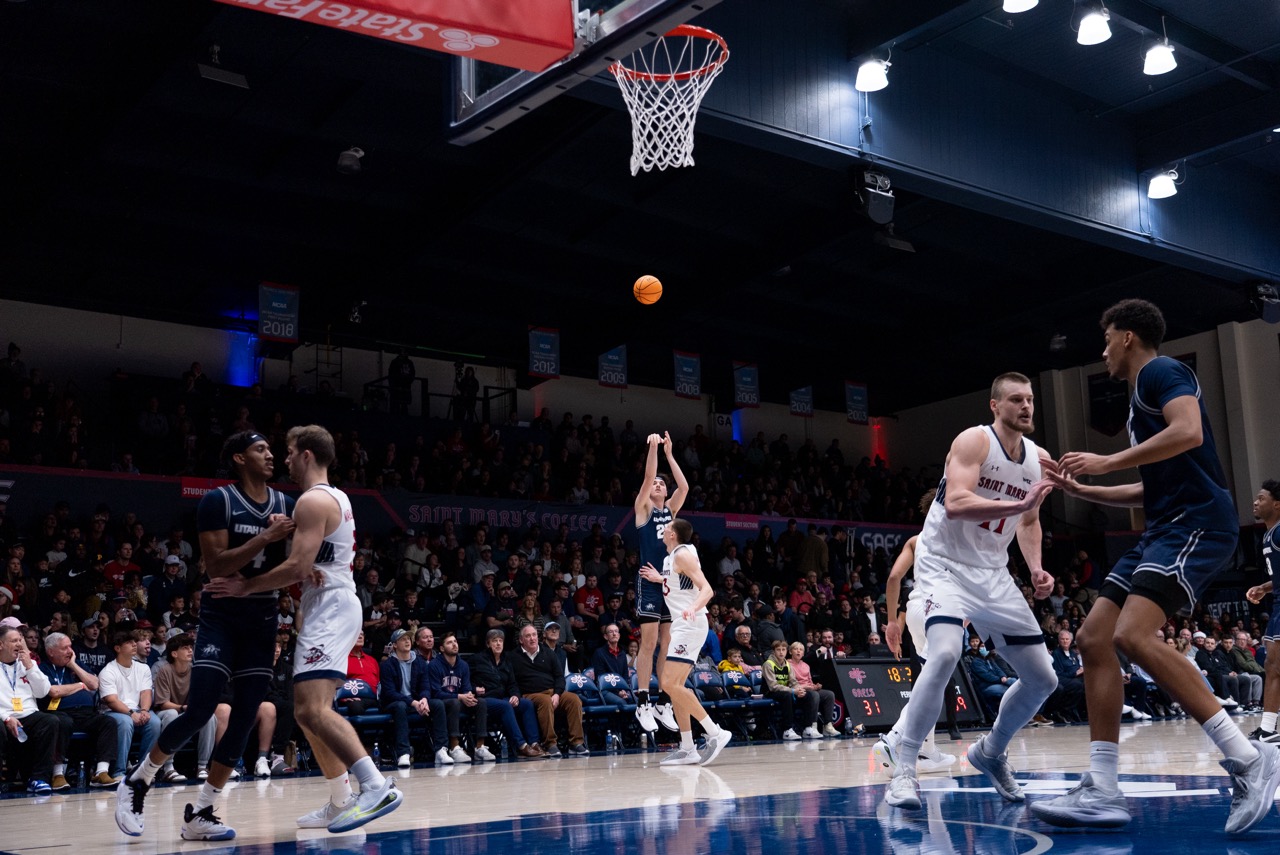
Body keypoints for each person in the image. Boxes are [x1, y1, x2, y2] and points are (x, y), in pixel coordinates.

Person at [1032, 300, 1280, 836]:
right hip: (1165, 524)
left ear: (1125, 337)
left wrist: (1106, 460)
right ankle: (1101, 789)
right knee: (1095, 638)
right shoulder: (1140, 398)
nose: (1102, 351)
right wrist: (1088, 488)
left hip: (1197, 523)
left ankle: (1248, 758)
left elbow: (1188, 431)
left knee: (1134, 635)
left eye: (1105, 339)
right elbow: (1156, 486)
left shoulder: (1161, 372)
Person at [203, 425, 404, 834]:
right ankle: (339, 799)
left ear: (307, 454)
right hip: (328, 604)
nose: (286, 459)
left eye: (291, 452)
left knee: (314, 709)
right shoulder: (333, 497)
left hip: (331, 607)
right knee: (304, 712)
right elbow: (308, 559)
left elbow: (296, 567)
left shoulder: (312, 500)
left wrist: (246, 585)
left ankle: (375, 785)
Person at [883, 372, 1058, 812]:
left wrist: (1036, 568)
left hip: (993, 573)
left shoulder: (1039, 459)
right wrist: (1017, 505)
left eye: (1030, 400)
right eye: (1016, 400)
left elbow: (1030, 522)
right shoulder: (973, 441)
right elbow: (958, 503)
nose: (1026, 407)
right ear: (995, 406)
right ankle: (903, 768)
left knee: (1043, 678)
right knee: (943, 653)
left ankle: (990, 751)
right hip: (944, 566)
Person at [116, 431, 296, 842]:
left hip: (263, 616)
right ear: (238, 458)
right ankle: (138, 781)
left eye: (270, 449)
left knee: (246, 717)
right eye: (260, 449)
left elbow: (293, 563)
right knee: (198, 710)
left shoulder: (286, 505)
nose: (270, 455)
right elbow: (216, 566)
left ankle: (201, 810)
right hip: (222, 616)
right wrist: (266, 537)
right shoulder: (219, 501)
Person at [639, 517, 731, 765]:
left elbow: (707, 589)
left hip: (690, 624)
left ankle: (715, 732)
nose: (664, 528)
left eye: (668, 527)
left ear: (673, 534)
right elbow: (681, 582)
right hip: (683, 625)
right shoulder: (672, 558)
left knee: (669, 683)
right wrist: (661, 579)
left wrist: (693, 607)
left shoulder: (682, 555)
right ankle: (688, 747)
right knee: (675, 686)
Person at [632, 432, 687, 734]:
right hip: (648, 582)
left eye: (662, 484)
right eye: (656, 483)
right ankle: (643, 700)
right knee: (649, 643)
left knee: (668, 643)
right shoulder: (644, 509)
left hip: (667, 584)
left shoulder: (671, 511)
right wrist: (653, 447)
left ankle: (663, 700)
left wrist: (670, 453)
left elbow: (685, 486)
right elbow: (648, 475)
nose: (658, 485)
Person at [40, 631, 118, 789]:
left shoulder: (74, 664)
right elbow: (54, 691)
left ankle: (100, 772)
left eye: (70, 647)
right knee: (62, 722)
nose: (70, 651)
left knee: (108, 721)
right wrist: (80, 686)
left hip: (85, 714)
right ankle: (57, 774)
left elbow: (95, 684)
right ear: (51, 651)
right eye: (65, 648)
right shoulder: (43, 668)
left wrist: (74, 665)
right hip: (59, 713)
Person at [511, 623, 587, 757]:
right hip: (530, 694)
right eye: (528, 636)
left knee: (574, 699)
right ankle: (550, 743)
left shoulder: (548, 653)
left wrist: (557, 694)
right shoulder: (513, 657)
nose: (532, 638)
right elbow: (512, 681)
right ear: (521, 640)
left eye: (534, 635)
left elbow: (559, 677)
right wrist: (516, 695)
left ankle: (576, 743)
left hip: (552, 691)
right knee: (545, 701)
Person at [471, 629, 545, 759]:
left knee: (527, 704)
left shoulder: (506, 660)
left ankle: (534, 743)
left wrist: (515, 695)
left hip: (502, 698)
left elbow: (512, 684)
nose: (498, 644)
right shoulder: (477, 659)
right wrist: (474, 689)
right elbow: (465, 680)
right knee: (505, 706)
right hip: (484, 700)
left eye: (500, 641)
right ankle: (521, 746)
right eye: (494, 641)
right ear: (488, 644)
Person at [0, 625, 57, 795]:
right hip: (4, 717)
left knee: (50, 721)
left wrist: (31, 668)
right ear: (1, 644)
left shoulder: (27, 663)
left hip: (28, 715)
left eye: (20, 640)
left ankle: (39, 779)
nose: (19, 644)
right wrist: (6, 717)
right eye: (14, 641)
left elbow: (43, 692)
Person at [1246, 480, 1280, 742]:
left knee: (1274, 665)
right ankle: (1269, 728)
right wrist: (1264, 587)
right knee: (1272, 665)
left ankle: (1269, 730)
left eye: (1261, 498)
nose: (1256, 502)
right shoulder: (1269, 535)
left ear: (1277, 504)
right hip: (1277, 603)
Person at [425, 631, 493, 764]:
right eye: (449, 642)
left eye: (455, 641)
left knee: (481, 702)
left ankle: (480, 747)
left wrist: (468, 696)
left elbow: (466, 688)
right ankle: (454, 747)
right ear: (442, 648)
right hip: (441, 703)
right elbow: (435, 693)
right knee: (454, 702)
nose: (454, 644)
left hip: (458, 700)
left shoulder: (463, 665)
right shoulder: (434, 665)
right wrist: (460, 696)